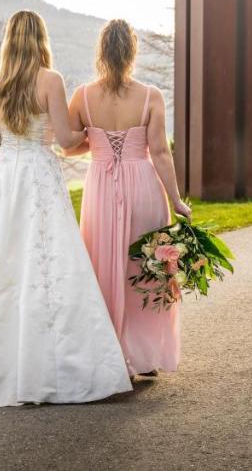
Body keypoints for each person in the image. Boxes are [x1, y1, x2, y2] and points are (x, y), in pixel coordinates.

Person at [0, 10, 132, 407]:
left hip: (4, 176)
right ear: (41, 38)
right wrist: (90, 132)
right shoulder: (50, 80)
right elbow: (64, 137)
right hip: (38, 173)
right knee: (46, 261)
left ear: (8, 39)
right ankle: (51, 362)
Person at [70, 19, 191, 376]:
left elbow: (67, 145)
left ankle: (109, 353)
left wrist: (97, 143)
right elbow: (161, 153)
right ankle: (145, 356)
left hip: (101, 187)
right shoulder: (151, 96)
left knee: (103, 265)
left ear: (101, 52)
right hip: (143, 184)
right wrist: (177, 199)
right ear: (132, 52)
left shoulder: (82, 96)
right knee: (146, 267)